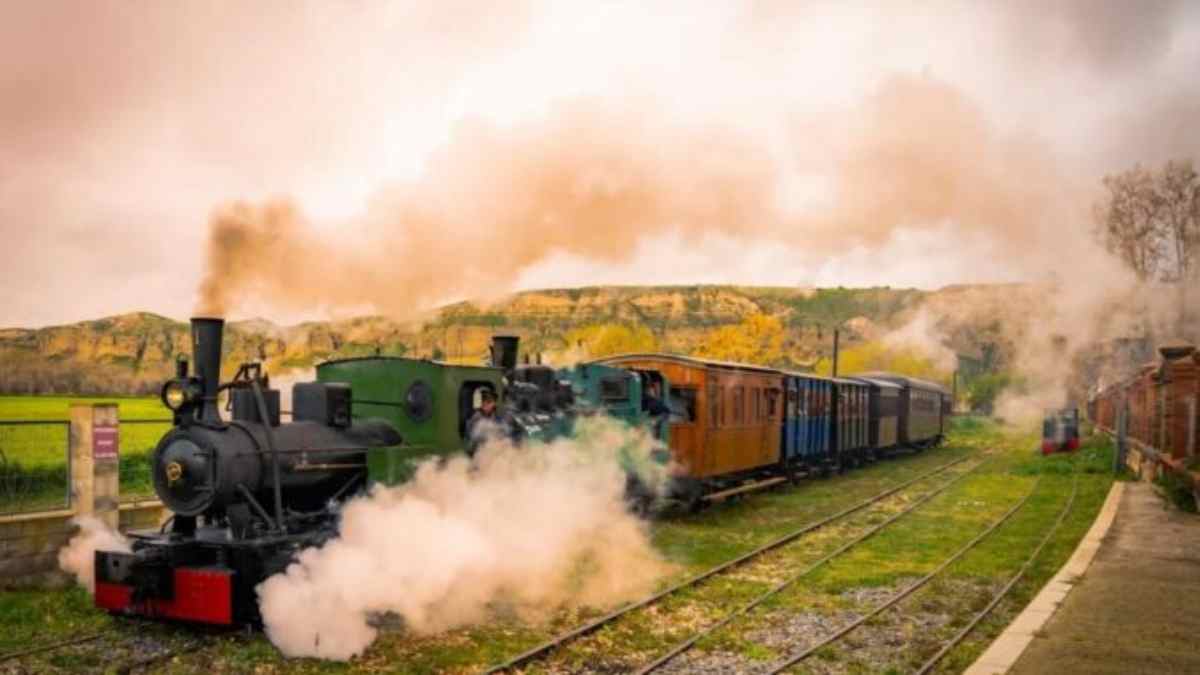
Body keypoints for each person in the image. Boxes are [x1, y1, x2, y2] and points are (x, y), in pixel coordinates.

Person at [465, 389, 516, 457]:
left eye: (491, 402)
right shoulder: (476, 418)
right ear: (482, 403)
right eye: (486, 402)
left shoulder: (496, 417)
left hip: (494, 452)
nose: (487, 405)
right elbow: (474, 439)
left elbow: (506, 430)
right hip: (479, 453)